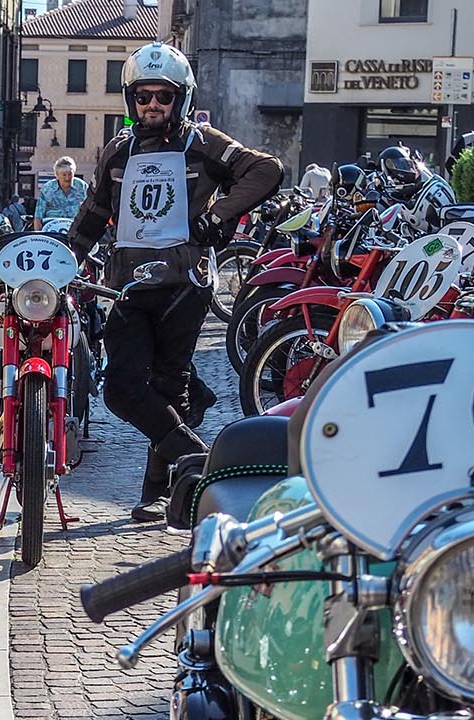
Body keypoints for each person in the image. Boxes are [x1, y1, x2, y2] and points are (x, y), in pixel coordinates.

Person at [66, 43, 282, 522]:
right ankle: (198, 456)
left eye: (163, 96)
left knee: (168, 384)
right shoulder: (118, 150)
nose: (153, 105)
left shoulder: (202, 143)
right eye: (143, 96)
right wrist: (62, 259)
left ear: (181, 97)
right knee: (121, 388)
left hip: (185, 283)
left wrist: (217, 216)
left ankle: (158, 490)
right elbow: (95, 211)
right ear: (131, 99)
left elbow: (266, 169)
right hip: (127, 284)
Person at [377, 144, 456, 231]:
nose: (403, 167)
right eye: (399, 164)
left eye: (405, 164)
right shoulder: (384, 186)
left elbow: (408, 188)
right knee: (397, 208)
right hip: (394, 222)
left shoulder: (407, 183)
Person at [35, 156, 88, 228]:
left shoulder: (82, 187)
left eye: (70, 174)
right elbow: (38, 216)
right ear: (57, 175)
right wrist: (38, 233)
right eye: (64, 175)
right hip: (52, 228)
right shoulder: (47, 189)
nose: (67, 178)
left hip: (76, 228)